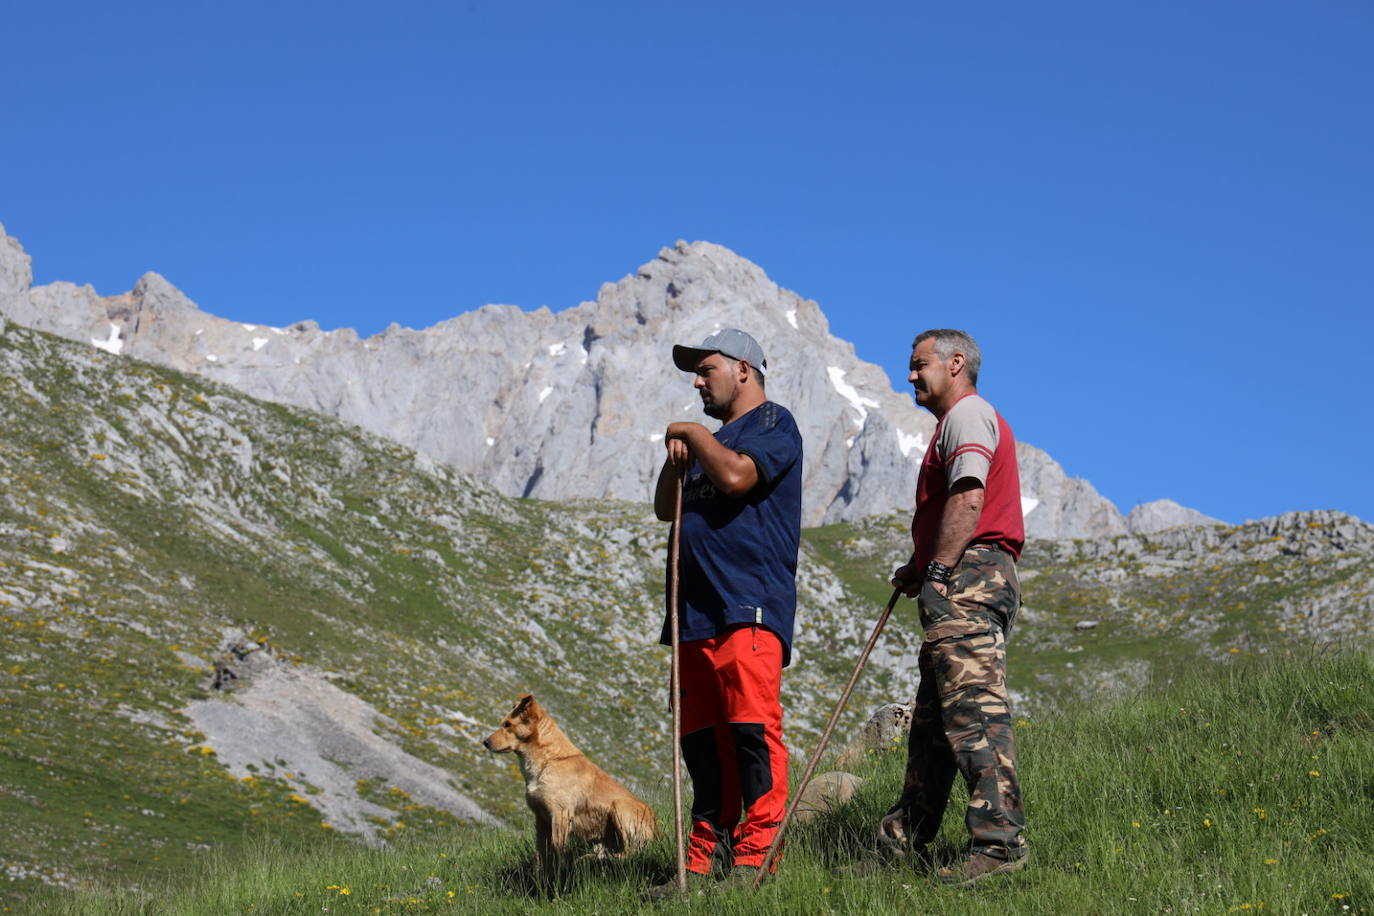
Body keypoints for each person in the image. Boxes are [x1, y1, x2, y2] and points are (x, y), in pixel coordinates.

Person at [644, 328, 803, 899]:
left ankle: (756, 858)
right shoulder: (709, 443)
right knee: (702, 743)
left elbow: (737, 477)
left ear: (743, 369)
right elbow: (668, 508)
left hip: (747, 607)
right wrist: (676, 458)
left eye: (706, 368)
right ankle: (703, 861)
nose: (697, 380)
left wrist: (690, 433)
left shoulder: (771, 425)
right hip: (694, 617)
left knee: (750, 732)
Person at [879, 328, 1028, 886]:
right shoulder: (955, 422)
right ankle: (905, 839)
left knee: (972, 711)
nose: (911, 375)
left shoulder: (967, 415)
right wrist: (921, 567)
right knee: (935, 722)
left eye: (919, 365)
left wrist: (938, 572)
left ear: (956, 363)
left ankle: (999, 844)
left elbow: (969, 497)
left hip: (970, 577)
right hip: (964, 573)